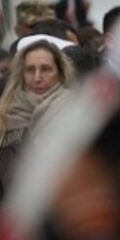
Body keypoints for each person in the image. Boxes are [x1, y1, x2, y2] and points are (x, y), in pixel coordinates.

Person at [0, 39, 76, 197]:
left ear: (60, 73)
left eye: (46, 69)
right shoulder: (5, 114)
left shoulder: (77, 111)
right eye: (30, 70)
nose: (37, 78)